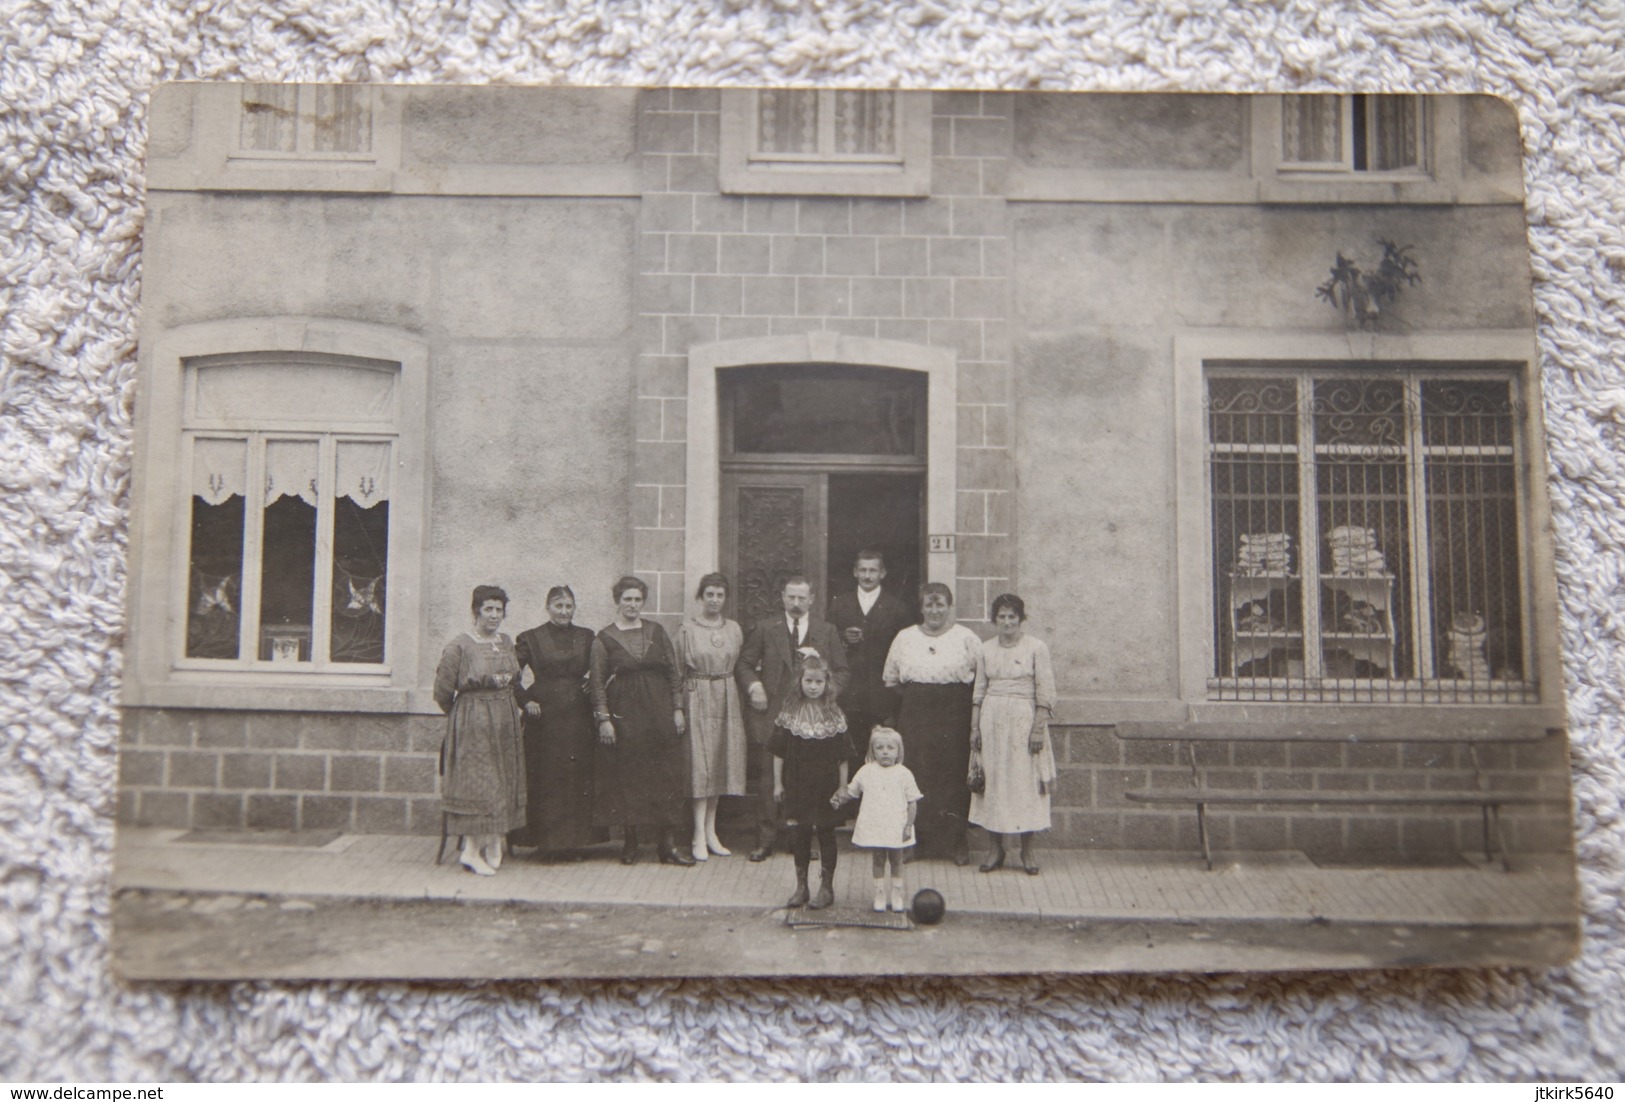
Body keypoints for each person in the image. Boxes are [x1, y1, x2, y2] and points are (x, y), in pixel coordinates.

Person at [735, 575, 848, 862]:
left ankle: (801, 840)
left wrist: (825, 693)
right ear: (782, 598)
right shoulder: (765, 628)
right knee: (767, 778)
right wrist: (754, 686)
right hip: (773, 713)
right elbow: (745, 664)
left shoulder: (826, 630)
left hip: (813, 716)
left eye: (802, 598)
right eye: (791, 598)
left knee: (807, 778)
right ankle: (766, 839)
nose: (796, 603)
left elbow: (842, 670)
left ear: (811, 600)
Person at [588, 576, 694, 867]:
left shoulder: (657, 632)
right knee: (629, 776)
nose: (632, 605)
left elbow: (674, 673)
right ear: (617, 601)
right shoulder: (604, 638)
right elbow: (597, 684)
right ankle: (631, 843)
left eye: (637, 599)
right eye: (627, 599)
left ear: (643, 602)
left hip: (659, 712)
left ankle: (667, 845)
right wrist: (604, 720)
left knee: (666, 774)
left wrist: (677, 709)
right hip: (626, 715)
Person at [881, 581, 981, 865]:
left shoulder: (966, 638)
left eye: (940, 605)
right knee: (916, 773)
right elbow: (891, 679)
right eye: (929, 604)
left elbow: (980, 679)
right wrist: (916, 700)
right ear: (921, 607)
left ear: (949, 607)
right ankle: (914, 840)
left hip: (955, 713)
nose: (934, 610)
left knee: (952, 773)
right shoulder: (905, 637)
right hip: (916, 713)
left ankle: (956, 841)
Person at [434, 585, 526, 877]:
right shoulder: (459, 646)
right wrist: (464, 715)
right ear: (476, 611)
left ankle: (495, 840)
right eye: (488, 609)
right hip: (474, 720)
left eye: (499, 610)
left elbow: (514, 679)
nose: (494, 616)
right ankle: (471, 851)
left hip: (505, 718)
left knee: (503, 780)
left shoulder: (506, 641)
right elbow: (442, 692)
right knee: (481, 783)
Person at [969, 593, 1057, 876]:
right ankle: (996, 849)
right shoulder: (985, 649)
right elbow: (979, 691)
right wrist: (974, 729)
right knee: (993, 783)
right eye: (1001, 617)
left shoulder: (1036, 648)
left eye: (1012, 616)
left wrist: (1038, 729)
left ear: (1021, 619)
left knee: (1024, 784)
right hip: (991, 722)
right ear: (994, 620)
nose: (1007, 622)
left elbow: (1045, 692)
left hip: (1023, 721)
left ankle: (1027, 850)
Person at [508, 585, 600, 854]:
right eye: (558, 606)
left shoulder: (586, 637)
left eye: (569, 606)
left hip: (577, 717)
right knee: (546, 778)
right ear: (548, 607)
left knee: (576, 777)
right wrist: (526, 701)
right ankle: (546, 843)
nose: (564, 612)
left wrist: (591, 682)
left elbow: (603, 669)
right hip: (544, 718)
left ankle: (574, 844)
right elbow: (510, 676)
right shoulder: (531, 638)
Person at [770, 655, 854, 910]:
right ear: (800, 681)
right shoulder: (790, 712)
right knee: (800, 833)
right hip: (797, 782)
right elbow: (778, 752)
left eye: (818, 681)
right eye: (808, 681)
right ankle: (801, 887)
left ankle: (826, 887)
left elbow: (843, 757)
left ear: (826, 683)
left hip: (826, 784)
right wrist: (778, 784)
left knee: (826, 832)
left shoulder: (834, 714)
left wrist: (842, 787)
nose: (813, 686)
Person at [676, 572, 748, 862]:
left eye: (720, 595)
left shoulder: (734, 629)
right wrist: (678, 707)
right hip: (697, 694)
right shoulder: (686, 630)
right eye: (710, 595)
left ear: (725, 598)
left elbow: (740, 663)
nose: (715, 600)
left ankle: (711, 832)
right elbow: (678, 672)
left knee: (720, 762)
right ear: (700, 597)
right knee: (701, 764)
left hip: (727, 695)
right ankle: (696, 835)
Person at [826, 550, 911, 768]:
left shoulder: (897, 608)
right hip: (848, 695)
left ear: (882, 573)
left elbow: (904, 652)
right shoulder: (839, 604)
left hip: (882, 696)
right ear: (855, 572)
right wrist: (844, 640)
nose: (867, 575)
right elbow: (827, 646)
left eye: (872, 570)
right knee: (848, 753)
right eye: (862, 570)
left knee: (881, 755)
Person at [832, 726, 921, 912]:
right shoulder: (866, 771)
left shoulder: (904, 773)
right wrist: (839, 799)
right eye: (880, 748)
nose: (885, 752)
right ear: (873, 751)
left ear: (899, 751)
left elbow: (912, 802)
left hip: (896, 825)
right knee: (878, 860)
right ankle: (879, 894)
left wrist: (908, 826)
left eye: (890, 748)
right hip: (876, 825)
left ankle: (896, 894)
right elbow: (851, 791)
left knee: (897, 860)